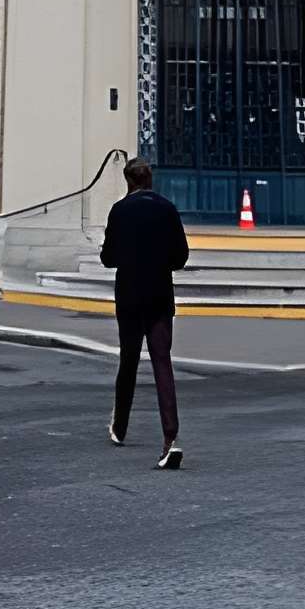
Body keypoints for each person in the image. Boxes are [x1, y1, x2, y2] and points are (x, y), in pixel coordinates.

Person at [101, 157, 189, 468]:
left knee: (128, 360)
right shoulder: (167, 209)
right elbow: (181, 257)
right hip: (160, 296)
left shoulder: (119, 210)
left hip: (129, 297)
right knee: (162, 363)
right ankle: (170, 438)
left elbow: (108, 258)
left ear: (128, 181)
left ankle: (119, 427)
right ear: (150, 180)